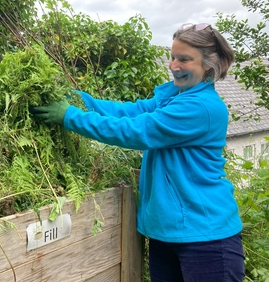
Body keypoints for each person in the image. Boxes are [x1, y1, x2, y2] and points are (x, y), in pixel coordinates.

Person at [31, 23, 245, 282]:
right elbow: (128, 112)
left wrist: (70, 116)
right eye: (173, 56)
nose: (174, 65)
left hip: (206, 237)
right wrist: (81, 100)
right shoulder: (173, 97)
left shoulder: (202, 108)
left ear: (208, 66)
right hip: (165, 233)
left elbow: (136, 131)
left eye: (185, 59)